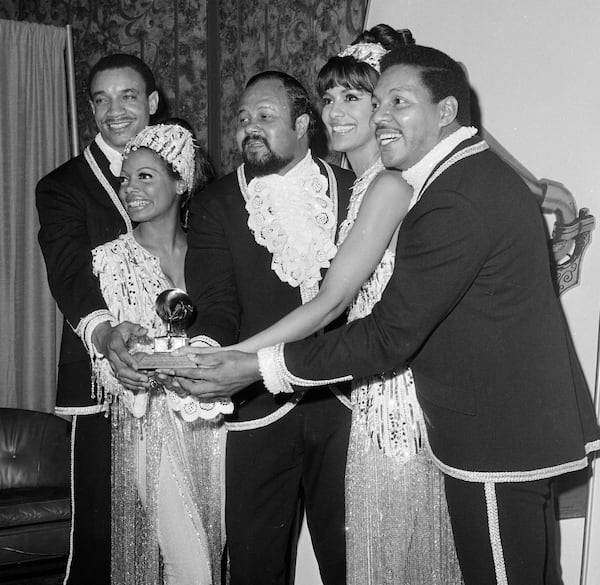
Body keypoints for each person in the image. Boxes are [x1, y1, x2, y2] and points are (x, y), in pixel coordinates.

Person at [168, 45, 600, 585]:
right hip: (494, 429)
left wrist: (257, 365)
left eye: (397, 101)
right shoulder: (456, 179)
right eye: (376, 103)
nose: (378, 116)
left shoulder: (453, 195)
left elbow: (386, 333)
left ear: (445, 111)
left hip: (493, 437)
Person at [192, 25, 461, 585]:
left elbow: (332, 299)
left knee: (372, 559)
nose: (337, 110)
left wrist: (240, 360)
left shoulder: (380, 185)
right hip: (299, 401)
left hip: (369, 397)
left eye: (357, 98)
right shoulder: (369, 184)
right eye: (331, 96)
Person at [179, 71, 355, 585]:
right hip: (256, 409)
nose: (249, 128)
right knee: (254, 568)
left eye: (265, 117)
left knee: (350, 561)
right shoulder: (214, 204)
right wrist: (209, 355)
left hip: (342, 404)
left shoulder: (353, 191)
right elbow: (215, 305)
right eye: (242, 119)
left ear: (304, 125)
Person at [36, 53, 159, 585]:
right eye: (102, 99)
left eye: (128, 96)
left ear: (152, 103)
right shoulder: (62, 186)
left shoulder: (189, 175)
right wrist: (105, 333)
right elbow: (69, 276)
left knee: (180, 524)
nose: (115, 110)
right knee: (100, 527)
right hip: (99, 379)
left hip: (183, 375)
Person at [90, 121, 227, 585]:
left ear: (180, 182)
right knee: (188, 561)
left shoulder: (213, 252)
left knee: (218, 548)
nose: (129, 189)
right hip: (154, 429)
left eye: (145, 176)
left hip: (222, 424)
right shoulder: (109, 259)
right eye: (125, 178)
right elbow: (106, 367)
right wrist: (128, 365)